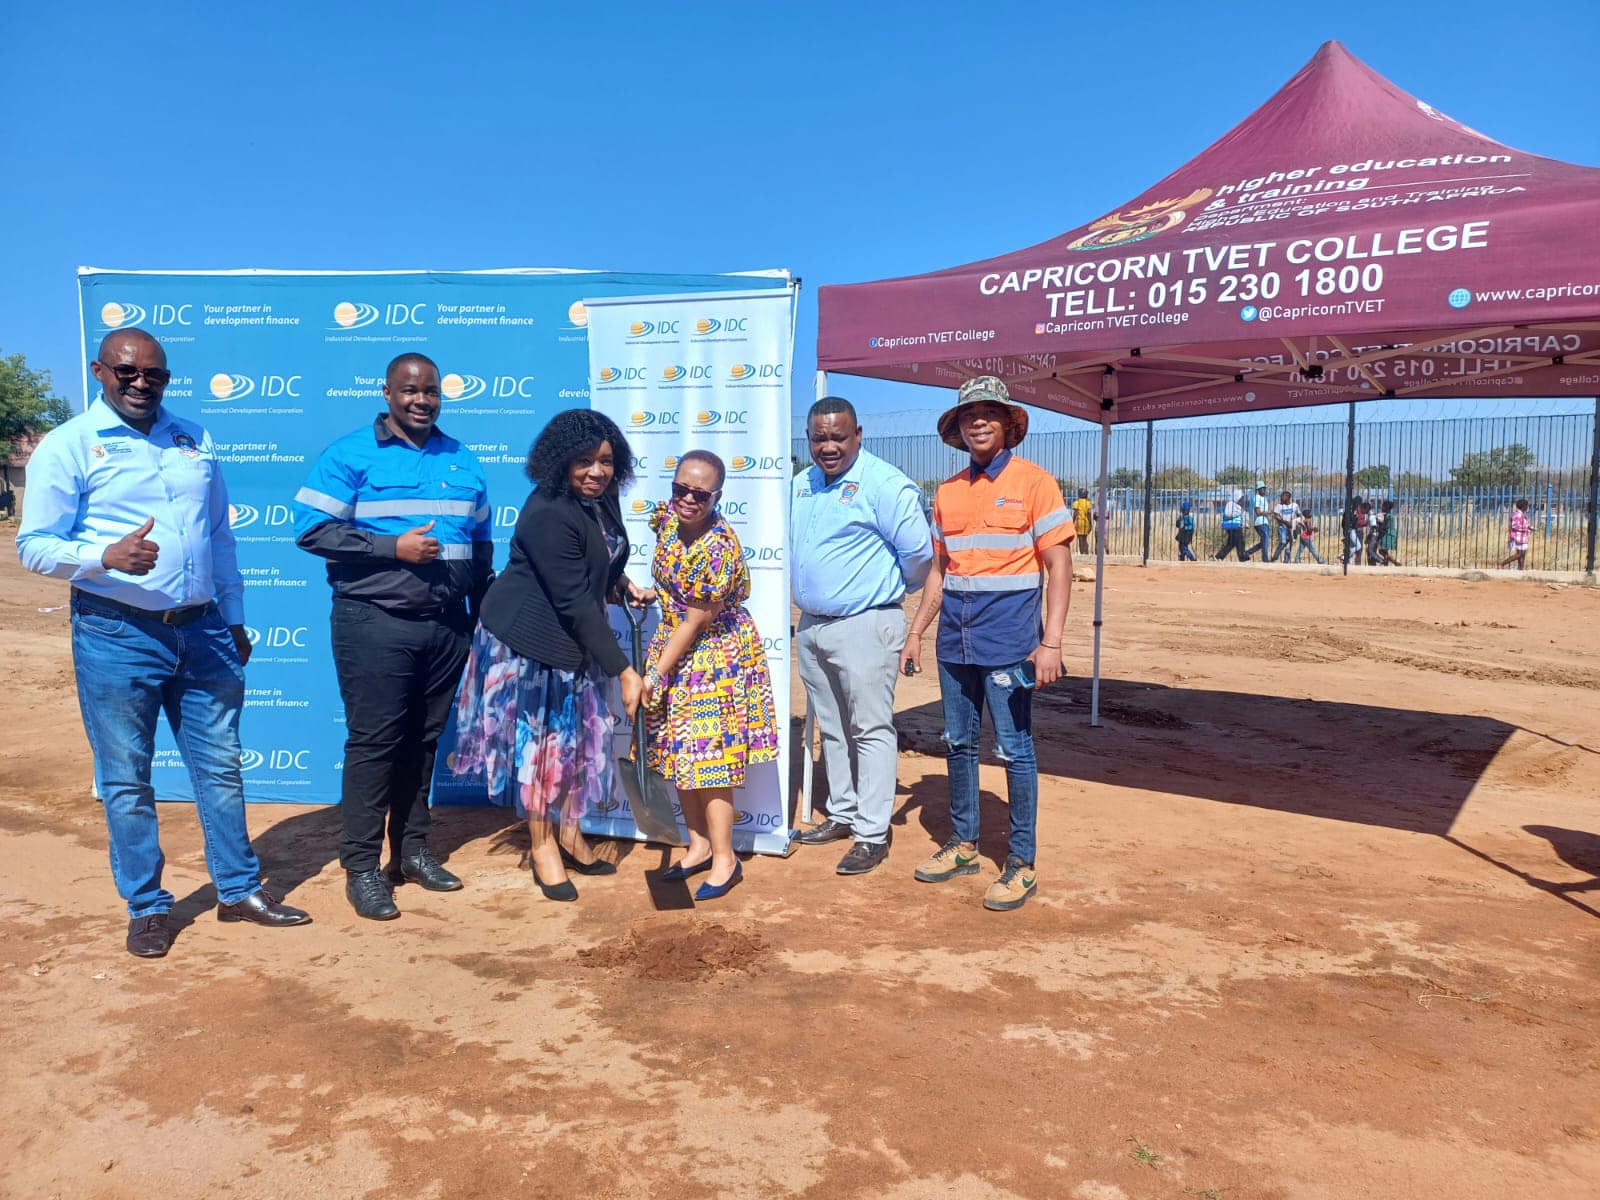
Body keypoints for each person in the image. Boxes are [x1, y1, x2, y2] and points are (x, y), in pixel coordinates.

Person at [17, 329, 311, 958]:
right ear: (100, 371)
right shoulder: (69, 445)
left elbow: (219, 537)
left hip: (204, 629)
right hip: (116, 631)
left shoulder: (192, 438)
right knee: (126, 779)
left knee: (221, 768)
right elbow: (33, 545)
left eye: (155, 373)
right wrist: (104, 555)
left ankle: (237, 891)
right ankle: (148, 907)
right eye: (127, 373)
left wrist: (233, 617)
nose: (142, 383)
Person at [294, 353, 494, 920]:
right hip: (373, 621)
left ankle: (411, 852)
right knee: (375, 744)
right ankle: (360, 867)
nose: (421, 400)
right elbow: (310, 531)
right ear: (387, 393)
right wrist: (392, 547)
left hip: (446, 625)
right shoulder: (351, 453)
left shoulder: (463, 460)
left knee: (424, 744)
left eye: (430, 391)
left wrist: (480, 615)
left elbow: (480, 547)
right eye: (410, 390)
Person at [452, 410, 647, 902]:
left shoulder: (601, 501)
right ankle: (542, 846)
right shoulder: (548, 512)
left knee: (574, 745)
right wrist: (623, 670)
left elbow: (597, 564)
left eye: (605, 461)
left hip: (573, 641)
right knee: (539, 751)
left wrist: (621, 583)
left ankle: (571, 834)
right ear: (560, 462)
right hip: (529, 644)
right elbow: (573, 601)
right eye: (584, 461)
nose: (596, 472)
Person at [900, 376, 1073, 912]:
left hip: (1010, 643)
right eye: (969, 414)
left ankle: (1021, 864)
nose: (978, 421)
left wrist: (1051, 643)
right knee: (957, 742)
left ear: (1007, 424)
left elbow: (1059, 567)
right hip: (956, 641)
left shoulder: (1035, 483)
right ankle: (964, 845)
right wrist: (916, 632)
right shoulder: (947, 492)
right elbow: (940, 571)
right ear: (958, 427)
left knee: (1014, 751)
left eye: (988, 413)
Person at [791, 397, 932, 874]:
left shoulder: (885, 485)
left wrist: (878, 593)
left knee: (870, 728)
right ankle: (844, 812)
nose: (828, 446)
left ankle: (872, 832)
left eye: (838, 436)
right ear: (808, 438)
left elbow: (918, 558)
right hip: (812, 627)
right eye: (818, 437)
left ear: (858, 434)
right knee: (832, 728)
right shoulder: (802, 485)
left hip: (866, 624)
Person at [643, 450, 779, 901]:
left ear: (717, 496)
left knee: (709, 758)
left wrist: (656, 674)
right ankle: (697, 844)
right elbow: (671, 587)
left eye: (699, 494)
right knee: (679, 751)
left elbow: (696, 619)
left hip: (714, 655)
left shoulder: (719, 547)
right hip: (675, 643)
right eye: (680, 488)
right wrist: (648, 593)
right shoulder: (667, 519)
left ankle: (725, 858)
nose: (686, 499)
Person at [1213, 490, 1248, 560]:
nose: (1241, 500)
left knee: (1231, 543)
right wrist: (1238, 513)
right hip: (1232, 526)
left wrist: (1245, 524)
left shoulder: (1239, 506)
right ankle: (1242, 557)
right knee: (1240, 541)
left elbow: (1241, 517)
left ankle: (1219, 556)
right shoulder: (1230, 504)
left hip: (1237, 526)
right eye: (1240, 498)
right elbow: (1227, 513)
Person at [1241, 480, 1271, 559]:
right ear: (1258, 489)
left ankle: (1247, 553)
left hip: (1265, 522)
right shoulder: (1257, 498)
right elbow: (1257, 512)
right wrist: (1268, 512)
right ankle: (1265, 559)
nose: (1264, 490)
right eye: (1262, 488)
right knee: (1265, 540)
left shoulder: (1264, 498)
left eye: (1264, 488)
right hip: (1260, 522)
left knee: (1265, 541)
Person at [1498, 498, 1531, 569]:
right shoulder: (1517, 515)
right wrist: (1526, 528)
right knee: (1520, 554)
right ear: (1523, 506)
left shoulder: (1522, 515)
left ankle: (1520, 569)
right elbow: (1515, 526)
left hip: (1523, 537)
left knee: (1523, 554)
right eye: (1527, 506)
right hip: (1518, 537)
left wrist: (1529, 527)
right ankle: (1502, 563)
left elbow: (1522, 524)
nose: (1528, 507)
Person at [1271, 490, 1300, 562]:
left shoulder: (1295, 506)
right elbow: (1276, 515)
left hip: (1291, 528)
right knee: (1283, 542)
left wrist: (1294, 523)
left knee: (1289, 545)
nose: (1281, 498)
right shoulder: (1279, 506)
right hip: (1282, 527)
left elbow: (1299, 515)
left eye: (1282, 496)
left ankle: (1286, 561)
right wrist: (1285, 522)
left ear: (1288, 497)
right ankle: (1275, 556)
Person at [1373, 499, 1401, 566]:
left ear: (1385, 507)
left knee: (1382, 551)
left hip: (1386, 535)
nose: (1382, 507)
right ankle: (1390, 563)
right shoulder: (1389, 515)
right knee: (1384, 551)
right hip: (1389, 535)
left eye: (1383, 506)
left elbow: (1386, 526)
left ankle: (1389, 563)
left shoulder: (1387, 516)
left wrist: (1379, 528)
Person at [1342, 495, 1364, 565]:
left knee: (1351, 546)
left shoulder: (1352, 510)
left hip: (1352, 530)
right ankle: (1345, 555)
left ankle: (1348, 562)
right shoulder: (1350, 511)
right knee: (1358, 546)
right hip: (1350, 530)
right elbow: (1346, 522)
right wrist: (1355, 517)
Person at [1072, 488, 1094, 555]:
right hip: (1086, 522)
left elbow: (1075, 514)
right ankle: (1086, 553)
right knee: (1085, 538)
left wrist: (1072, 522)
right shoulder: (1088, 503)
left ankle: (1082, 553)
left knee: (1080, 539)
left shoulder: (1076, 503)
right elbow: (1089, 514)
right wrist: (1090, 523)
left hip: (1079, 523)